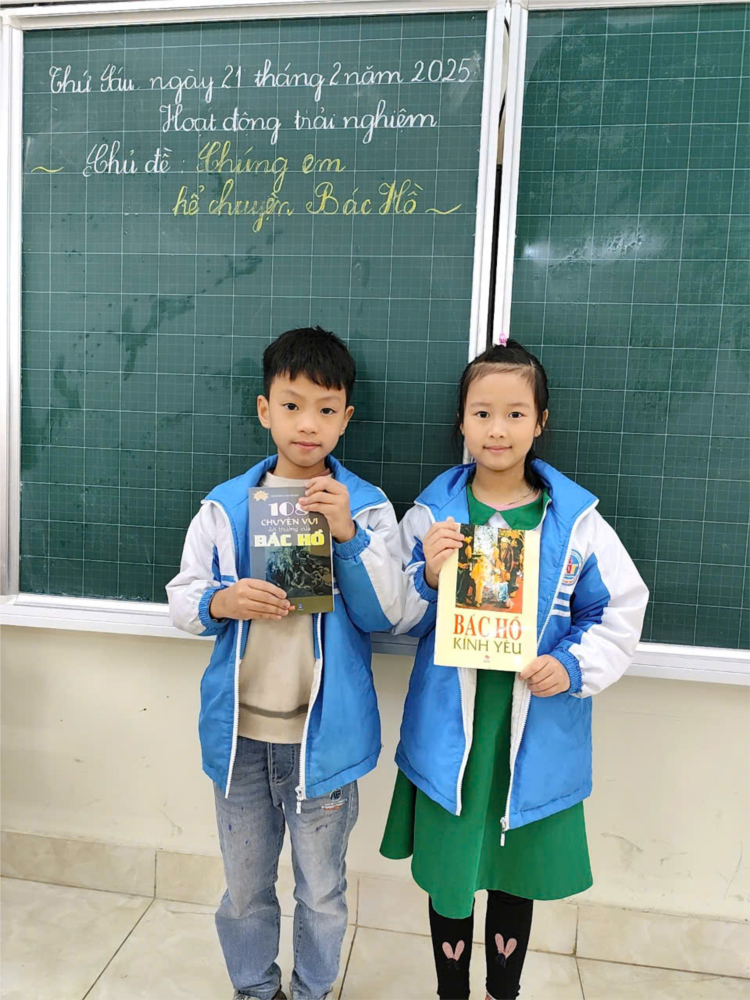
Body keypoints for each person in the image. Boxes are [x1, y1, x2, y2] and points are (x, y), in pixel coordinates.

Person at [380, 340, 649, 1000]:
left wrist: (572, 664)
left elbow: (617, 610)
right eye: (481, 413)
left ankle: (504, 992)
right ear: (461, 422)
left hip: (530, 734)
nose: (497, 430)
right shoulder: (433, 515)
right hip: (455, 739)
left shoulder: (576, 524)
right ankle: (451, 993)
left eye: (515, 414)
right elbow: (394, 612)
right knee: (452, 873)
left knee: (511, 873)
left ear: (540, 422)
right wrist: (430, 576)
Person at [167, 327, 402, 1000]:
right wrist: (221, 601)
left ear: (346, 418)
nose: (308, 424)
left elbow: (388, 612)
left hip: (321, 740)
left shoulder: (367, 507)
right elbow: (183, 600)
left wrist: (348, 535)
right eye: (292, 406)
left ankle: (313, 990)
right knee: (244, 888)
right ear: (265, 410)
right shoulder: (225, 506)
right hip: (240, 737)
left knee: (321, 889)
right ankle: (254, 988)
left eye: (326, 410)